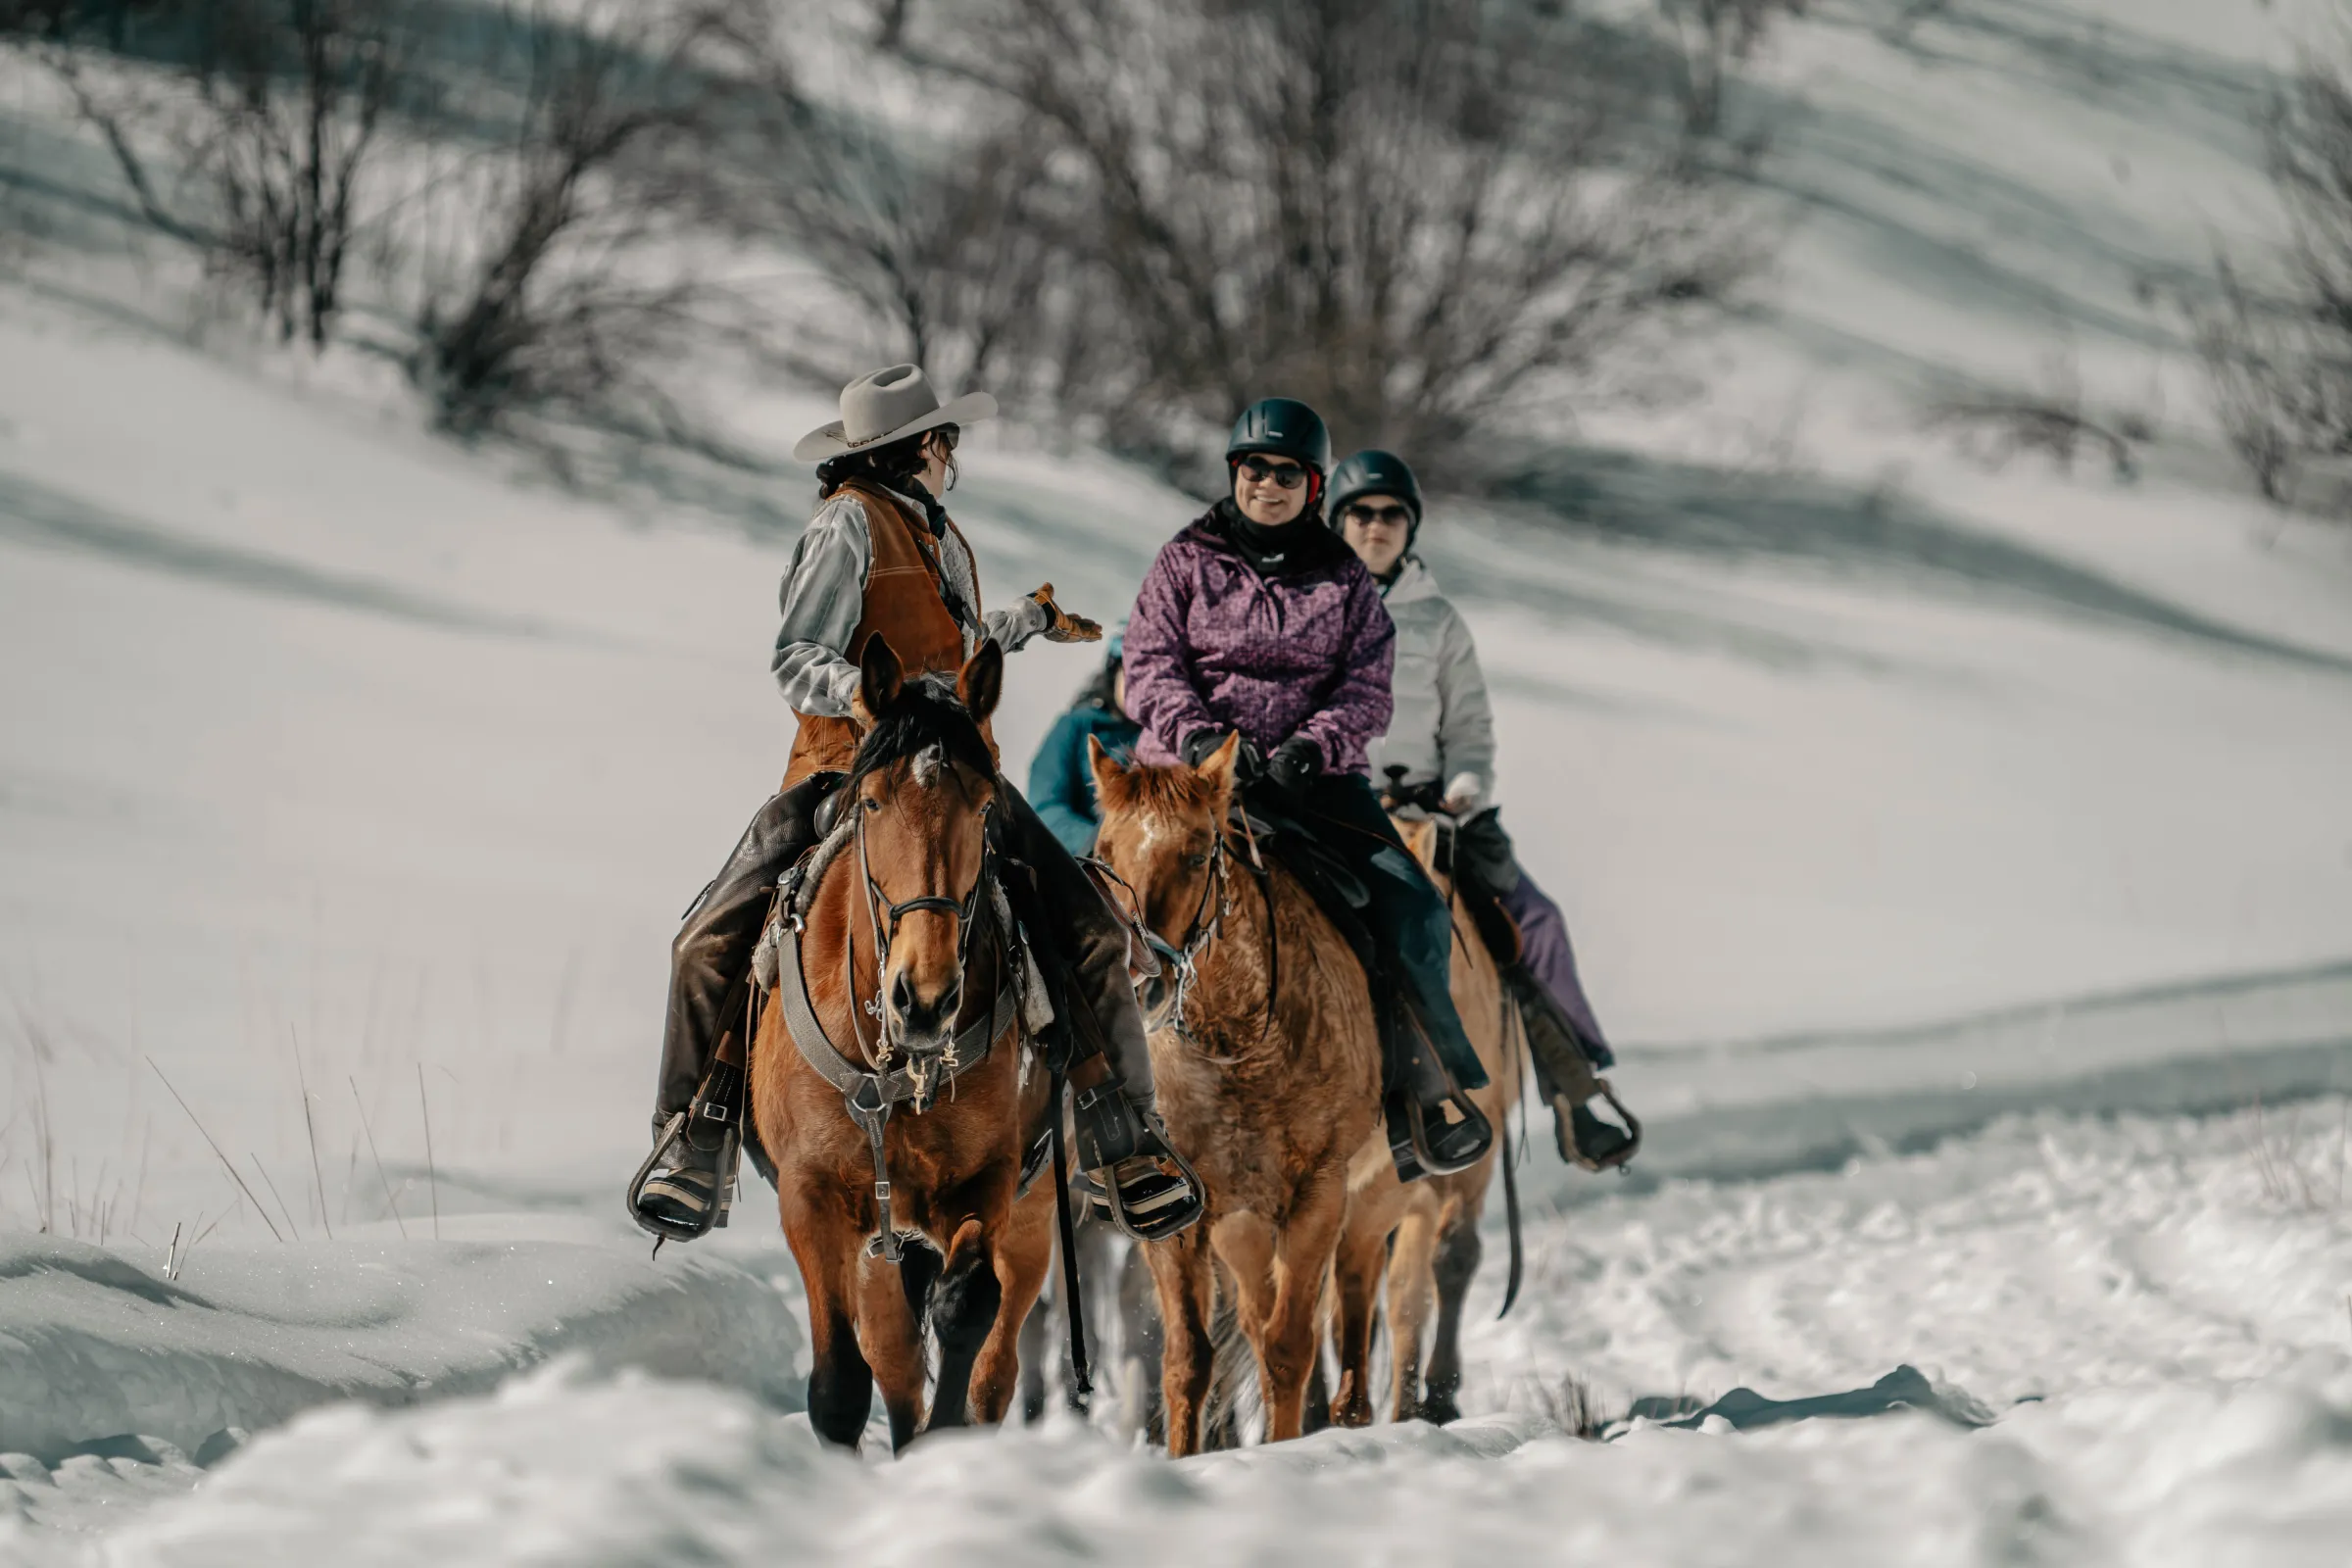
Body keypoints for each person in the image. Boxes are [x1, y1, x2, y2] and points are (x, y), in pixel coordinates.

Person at [632, 365, 1202, 1242]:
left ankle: (1126, 1136)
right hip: (851, 774)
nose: (954, 458)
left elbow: (954, 650)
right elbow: (796, 653)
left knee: (1091, 928)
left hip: (959, 780)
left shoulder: (933, 532)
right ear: (926, 447)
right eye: (950, 443)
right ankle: (692, 1133)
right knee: (706, 941)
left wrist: (1023, 621)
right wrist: (864, 698)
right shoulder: (848, 522)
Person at [1122, 397, 1493, 1179]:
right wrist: (1199, 740)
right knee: (1095, 907)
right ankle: (1085, 1104)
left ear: (1313, 485)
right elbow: (1149, 663)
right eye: (1254, 467)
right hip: (1187, 782)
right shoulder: (1184, 560)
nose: (1268, 482)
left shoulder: (1347, 579)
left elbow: (1367, 687)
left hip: (1311, 784)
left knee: (1414, 905)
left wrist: (1305, 749)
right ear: (1235, 472)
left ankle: (1420, 1093)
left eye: (1287, 471)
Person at [1328, 449, 1640, 1170]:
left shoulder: (1438, 622)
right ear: (1338, 522)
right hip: (1336, 807)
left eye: (1391, 515)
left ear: (1411, 527)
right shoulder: (1312, 606)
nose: (1376, 528)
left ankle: (1576, 1092)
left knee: (1533, 922)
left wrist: (1463, 788)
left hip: (1433, 811)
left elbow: (1470, 728)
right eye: (1362, 514)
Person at [1028, 628, 1141, 858]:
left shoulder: (1163, 740)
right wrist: (1104, 846)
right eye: (1134, 675)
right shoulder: (1076, 726)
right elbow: (1045, 807)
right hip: (1077, 868)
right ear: (1115, 672)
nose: (1141, 689)